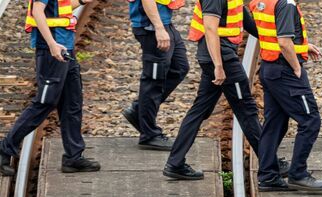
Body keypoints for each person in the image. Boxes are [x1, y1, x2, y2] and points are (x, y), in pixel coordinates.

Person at [163, 0, 288, 180]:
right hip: (221, 59)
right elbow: (210, 28)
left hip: (216, 58)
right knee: (246, 109)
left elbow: (249, 24)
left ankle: (175, 163)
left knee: (200, 110)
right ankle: (270, 162)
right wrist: (219, 66)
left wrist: (286, 41)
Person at [0, 0, 101, 176]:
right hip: (52, 50)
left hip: (66, 48)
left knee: (72, 103)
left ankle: (73, 156)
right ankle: (4, 147)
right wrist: (51, 44)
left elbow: (59, 8)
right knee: (45, 102)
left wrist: (80, 1)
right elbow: (37, 11)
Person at [249, 0, 322, 192]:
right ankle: (298, 174)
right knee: (310, 120)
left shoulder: (259, 2)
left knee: (274, 123)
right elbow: (284, 42)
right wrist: (296, 67)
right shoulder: (286, 4)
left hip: (269, 69)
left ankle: (268, 176)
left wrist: (302, 45)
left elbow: (271, 33)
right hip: (285, 71)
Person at [123, 0, 189, 151]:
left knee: (179, 67)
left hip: (164, 23)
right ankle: (149, 135)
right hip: (151, 27)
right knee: (153, 80)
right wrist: (158, 28)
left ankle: (139, 110)